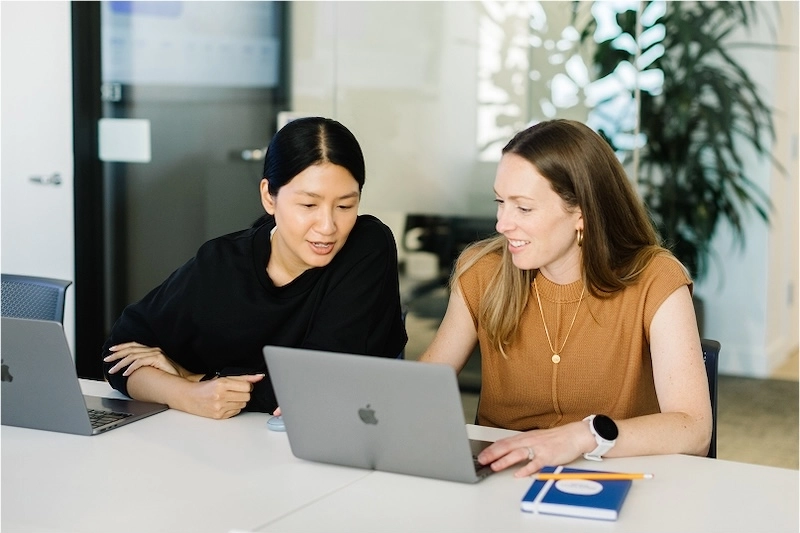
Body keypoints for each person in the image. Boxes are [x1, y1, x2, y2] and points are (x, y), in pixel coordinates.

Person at [420, 119, 712, 477]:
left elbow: (694, 429)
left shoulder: (655, 278)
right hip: (505, 475)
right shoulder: (483, 271)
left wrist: (583, 436)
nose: (502, 223)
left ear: (581, 214)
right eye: (501, 202)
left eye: (523, 208)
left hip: (616, 474)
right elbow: (422, 387)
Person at [102, 116, 407, 419]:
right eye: (308, 205)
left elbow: (316, 384)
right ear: (268, 197)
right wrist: (188, 394)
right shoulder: (222, 263)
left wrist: (200, 378)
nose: (328, 226)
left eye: (344, 206)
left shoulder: (366, 246)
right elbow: (118, 354)